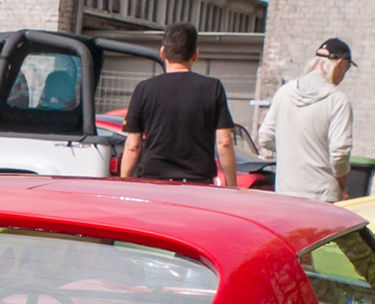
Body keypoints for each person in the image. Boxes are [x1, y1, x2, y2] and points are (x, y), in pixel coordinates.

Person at [120, 22, 236, 187]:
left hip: (153, 180)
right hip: (198, 182)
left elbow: (133, 145)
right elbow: (224, 142)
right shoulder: (213, 87)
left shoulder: (144, 89)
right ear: (195, 55)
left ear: (162, 53)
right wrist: (232, 186)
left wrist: (124, 181)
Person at [258, 38, 356, 202]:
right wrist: (342, 185)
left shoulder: (285, 92)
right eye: (346, 69)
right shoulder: (338, 101)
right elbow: (339, 153)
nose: (343, 77)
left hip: (285, 192)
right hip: (322, 195)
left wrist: (293, 150)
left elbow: (265, 137)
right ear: (339, 64)